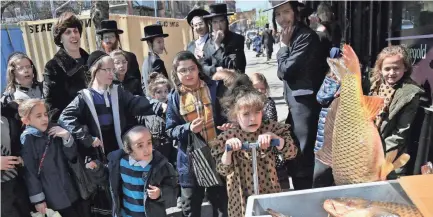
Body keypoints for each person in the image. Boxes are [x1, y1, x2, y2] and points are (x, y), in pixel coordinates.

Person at [210, 79, 297, 217]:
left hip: (269, 190)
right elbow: (222, 170)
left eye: (257, 112)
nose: (253, 119)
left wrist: (276, 139)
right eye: (246, 114)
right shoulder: (228, 137)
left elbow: (291, 153)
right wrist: (228, 151)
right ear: (234, 115)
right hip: (239, 197)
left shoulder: (271, 128)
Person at [265, 0, 328, 190]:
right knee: (298, 151)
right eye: (277, 14)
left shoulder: (305, 37)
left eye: (286, 12)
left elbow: (285, 71)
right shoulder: (293, 35)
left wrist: (283, 47)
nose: (282, 18)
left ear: (295, 13)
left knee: (303, 153)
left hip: (305, 104)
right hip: (296, 103)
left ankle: (306, 192)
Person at [165, 51, 229, 217]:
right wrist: (188, 128)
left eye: (191, 68)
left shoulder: (215, 88)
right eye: (183, 70)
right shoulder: (174, 97)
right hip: (191, 161)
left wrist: (229, 125)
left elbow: (228, 113)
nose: (188, 74)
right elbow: (170, 130)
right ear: (176, 74)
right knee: (190, 207)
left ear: (198, 69)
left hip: (218, 155)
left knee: (222, 205)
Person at [18, 99, 83, 217]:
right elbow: (30, 172)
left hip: (69, 189)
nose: (44, 119)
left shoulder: (54, 130)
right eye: (38, 116)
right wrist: (38, 200)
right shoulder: (29, 138)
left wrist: (66, 137)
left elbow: (71, 156)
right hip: (51, 195)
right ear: (26, 120)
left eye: (45, 114)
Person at [369, 45, 424, 177]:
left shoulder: (409, 93)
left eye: (396, 68)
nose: (392, 73)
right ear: (380, 69)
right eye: (387, 69)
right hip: (370, 147)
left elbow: (400, 133)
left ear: (405, 68)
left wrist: (381, 155)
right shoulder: (375, 85)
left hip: (391, 155)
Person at [107, 125, 177, 217]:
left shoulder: (160, 165)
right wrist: (96, 169)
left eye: (149, 143)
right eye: (140, 146)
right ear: (129, 149)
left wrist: (160, 192)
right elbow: (108, 178)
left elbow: (175, 189)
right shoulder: (120, 163)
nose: (146, 149)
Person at [43, 12, 90, 122]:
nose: (73, 35)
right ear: (60, 39)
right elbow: (51, 106)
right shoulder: (53, 67)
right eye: (68, 32)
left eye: (75, 31)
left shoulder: (92, 61)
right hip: (74, 126)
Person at [203, 3, 247, 73]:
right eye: (215, 22)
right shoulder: (208, 44)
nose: (218, 26)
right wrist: (213, 70)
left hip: (234, 81)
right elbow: (203, 67)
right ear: (211, 24)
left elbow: (237, 67)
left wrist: (218, 45)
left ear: (226, 22)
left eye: (221, 21)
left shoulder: (237, 39)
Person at [144, 72, 176, 165]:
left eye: (166, 91)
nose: (163, 95)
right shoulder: (147, 111)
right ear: (153, 94)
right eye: (159, 92)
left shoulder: (172, 108)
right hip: (154, 153)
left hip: (171, 151)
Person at [186, 8, 218, 77]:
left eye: (200, 24)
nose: (198, 27)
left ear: (207, 23)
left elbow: (218, 61)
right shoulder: (190, 46)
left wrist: (203, 56)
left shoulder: (214, 41)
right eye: (195, 25)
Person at [141, 25, 169, 95]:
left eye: (163, 41)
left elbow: (143, 86)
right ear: (149, 43)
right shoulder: (157, 61)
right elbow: (161, 86)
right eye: (159, 42)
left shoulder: (145, 61)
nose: (162, 45)